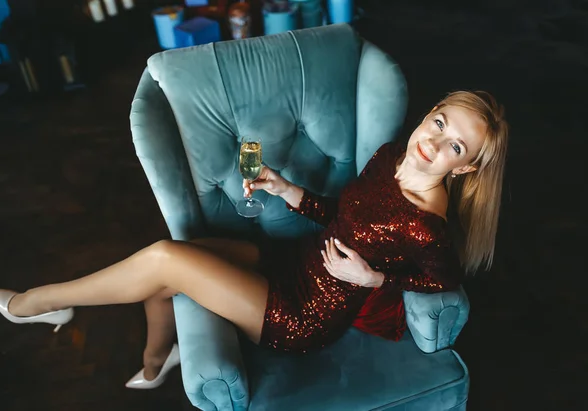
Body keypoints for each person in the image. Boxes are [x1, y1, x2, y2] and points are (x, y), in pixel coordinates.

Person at [0, 90, 509, 389]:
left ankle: (33, 303)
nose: (434, 142)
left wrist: (375, 277)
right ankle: (157, 363)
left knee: (163, 259)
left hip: (303, 316)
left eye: (455, 146)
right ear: (429, 113)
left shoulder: (425, 224)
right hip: (289, 263)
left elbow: (445, 278)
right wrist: (289, 191)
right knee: (181, 258)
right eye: (439, 121)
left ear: (466, 168)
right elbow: (344, 216)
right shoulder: (391, 156)